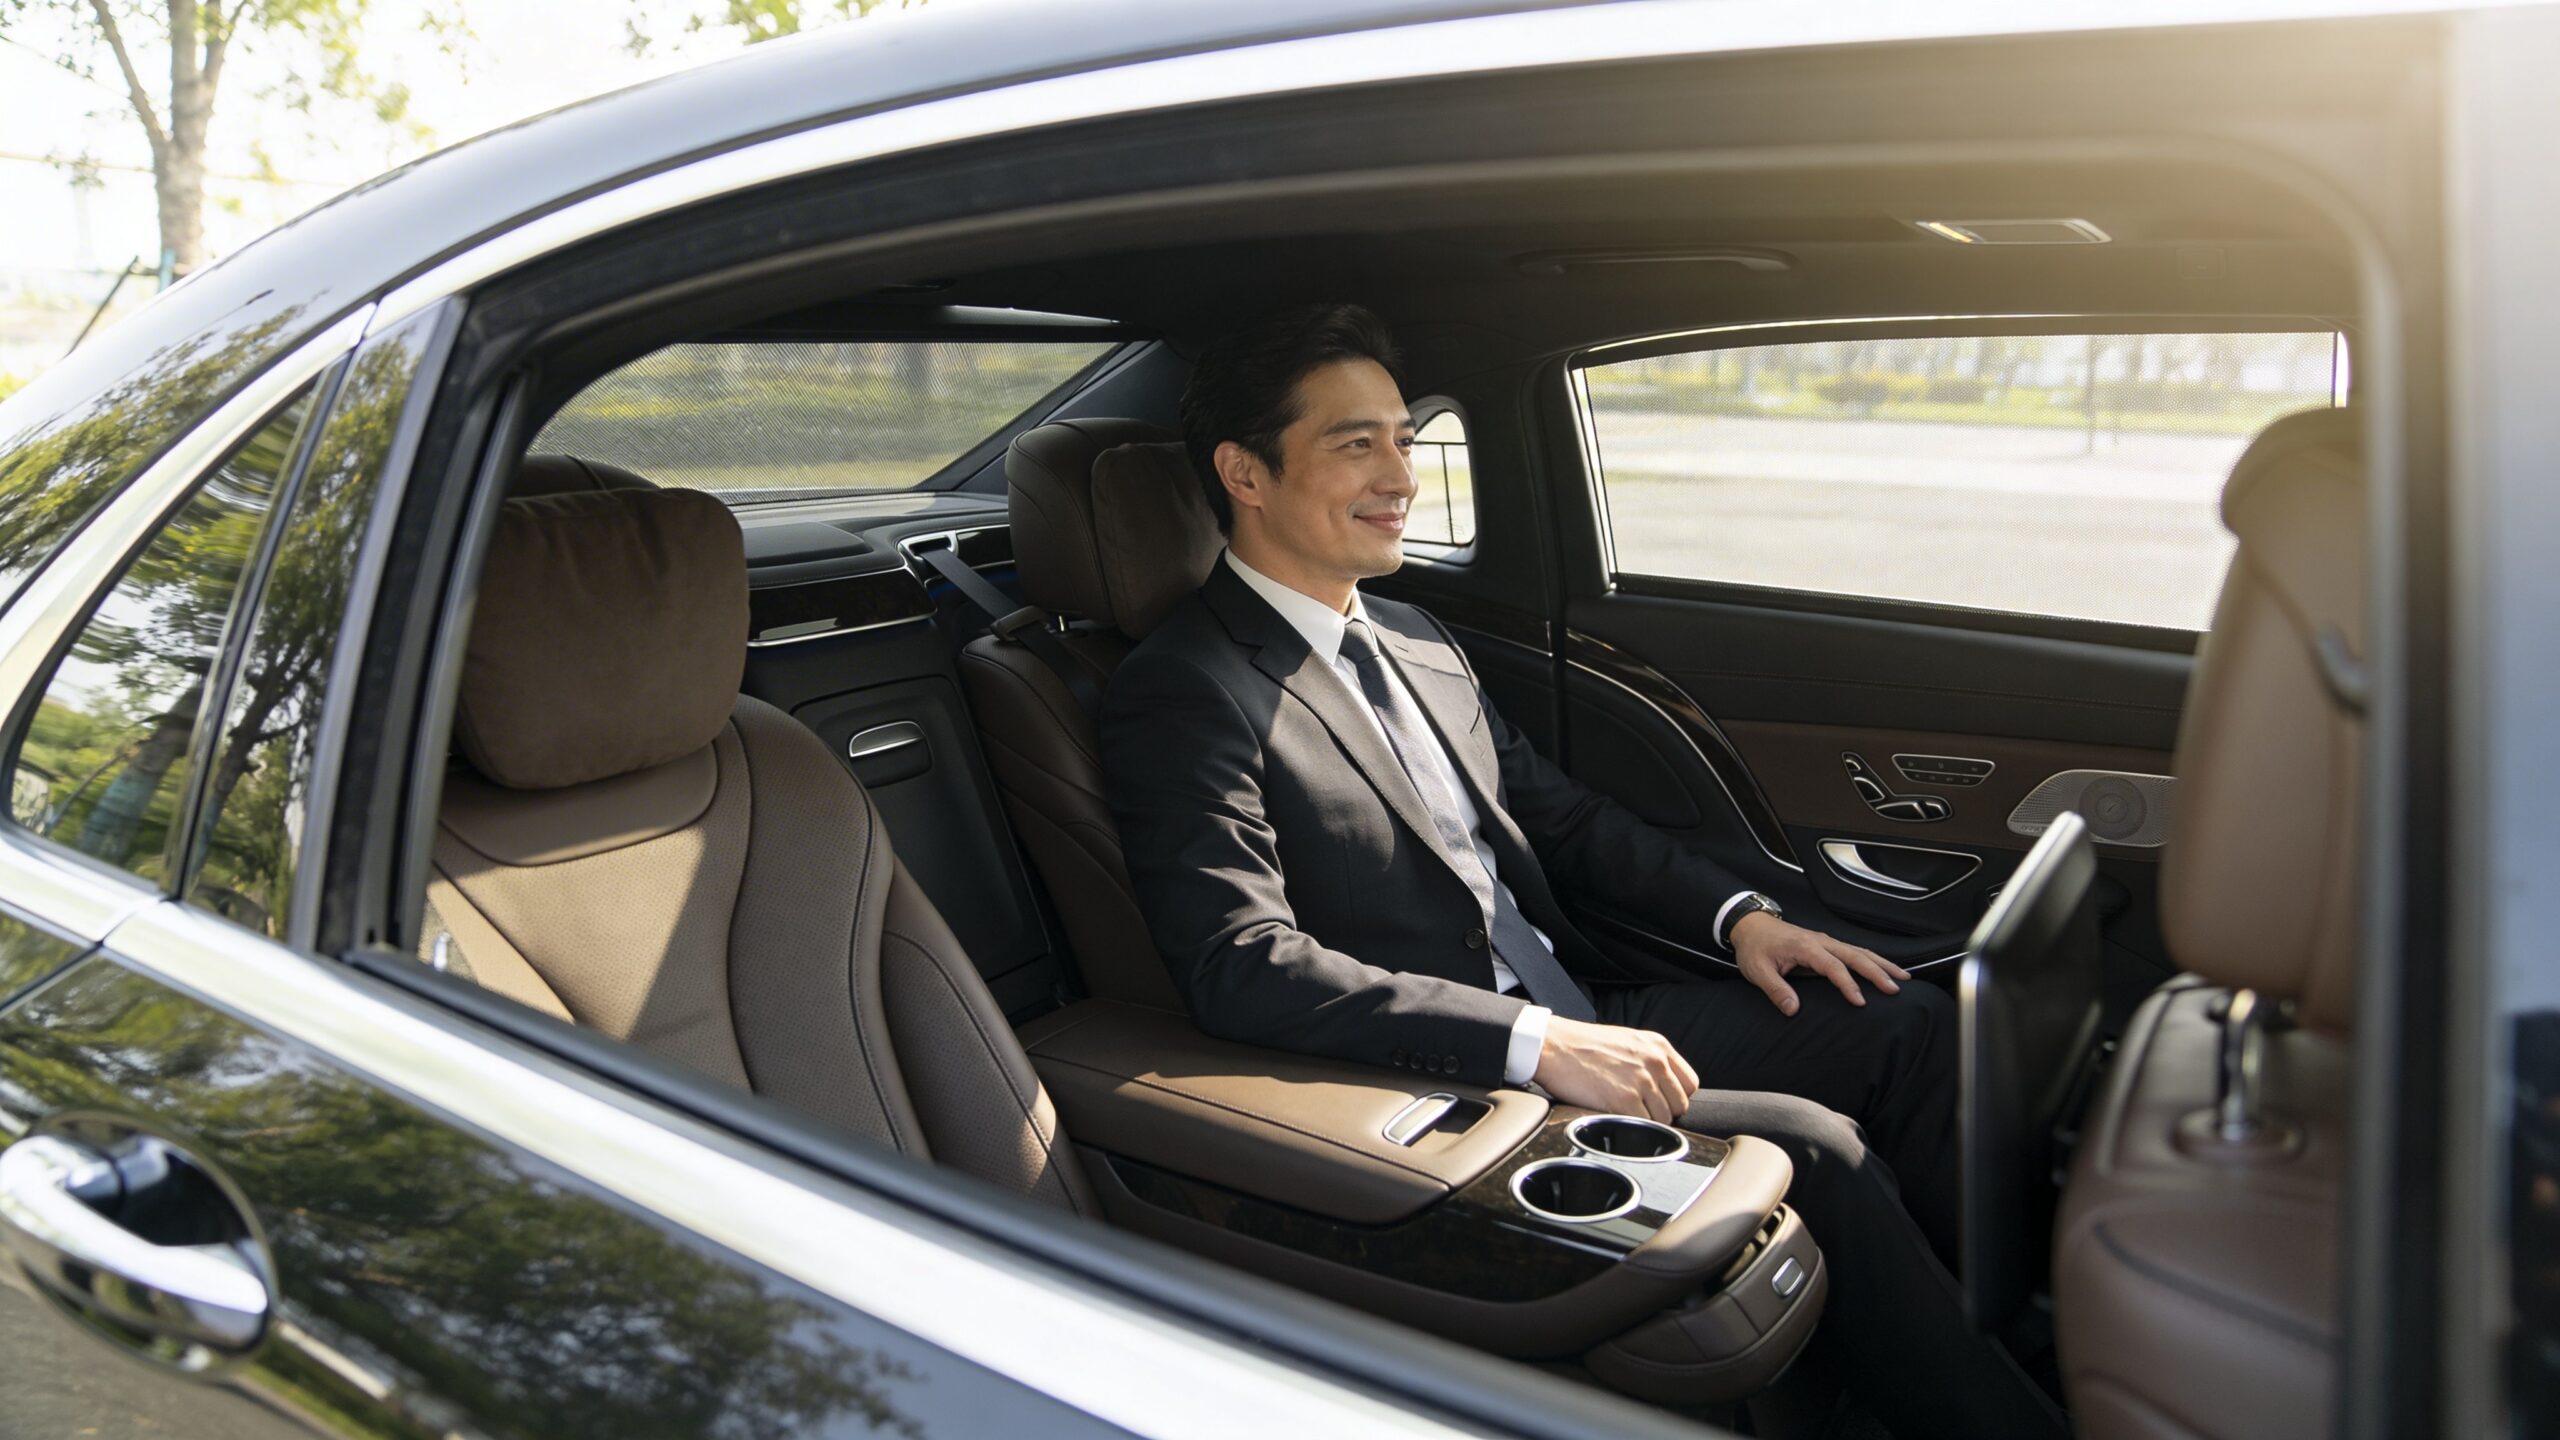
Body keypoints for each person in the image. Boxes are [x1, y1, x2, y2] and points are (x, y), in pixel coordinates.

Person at [1099, 302, 2066, 1438]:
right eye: (1354, 443)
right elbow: (1240, 962)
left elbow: (1562, 820)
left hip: (1579, 1011)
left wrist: (1740, 918)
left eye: (1405, 439)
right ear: (1243, 473)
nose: (1399, 475)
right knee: (1813, 1145)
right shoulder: (1185, 687)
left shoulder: (1413, 636)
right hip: (1445, 1083)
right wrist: (1535, 1046)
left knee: (1908, 1024)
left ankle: (1979, 1337)